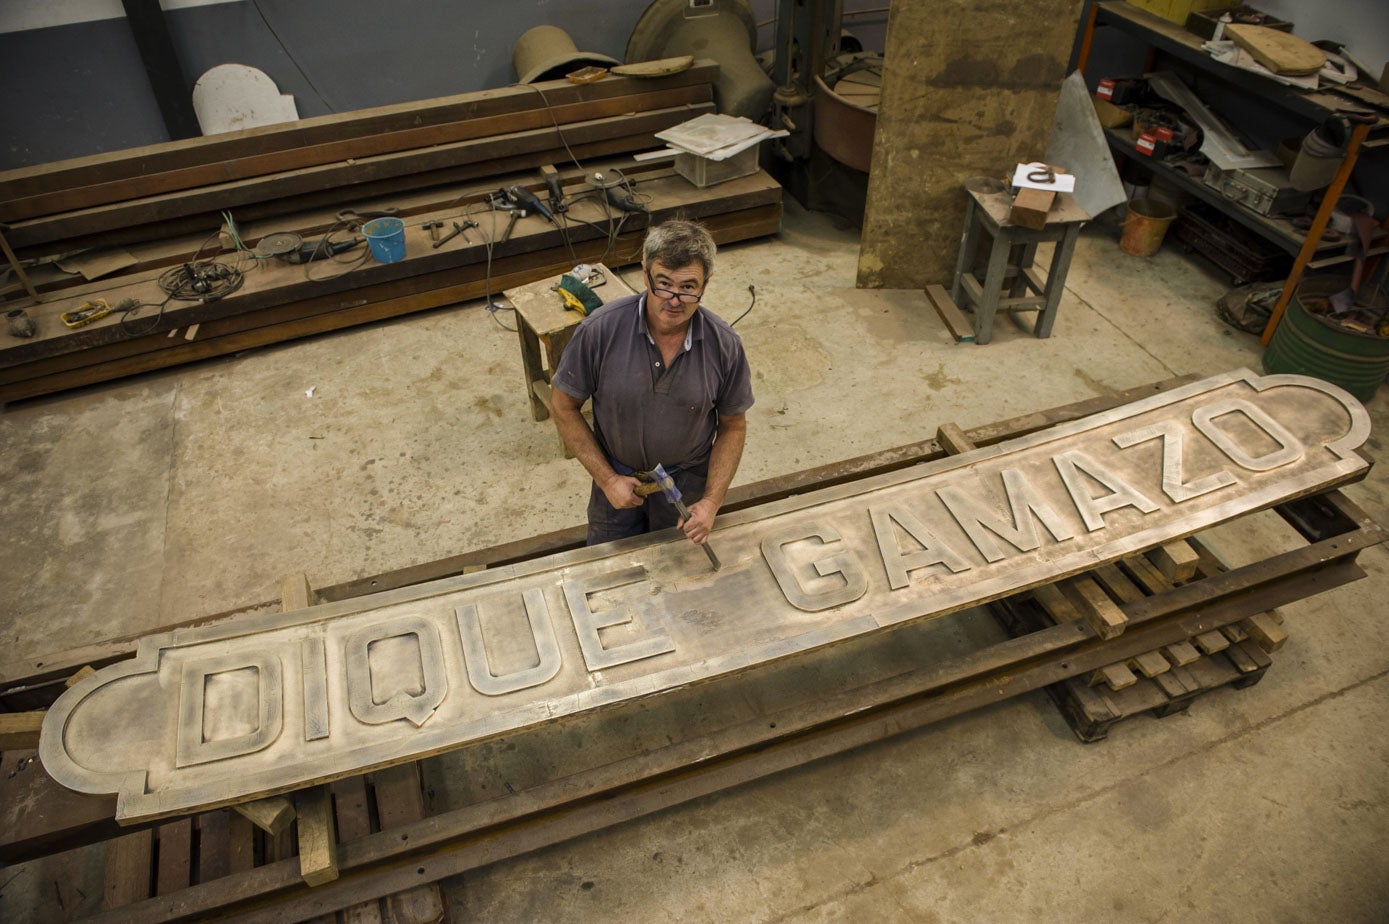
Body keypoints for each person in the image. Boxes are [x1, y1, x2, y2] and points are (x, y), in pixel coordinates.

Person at [551, 220, 753, 547]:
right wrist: (607, 479)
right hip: (615, 478)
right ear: (644, 274)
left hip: (687, 483)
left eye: (688, 287)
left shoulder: (724, 345)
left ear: (706, 282)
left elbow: (733, 426)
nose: (674, 300)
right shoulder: (600, 331)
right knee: (609, 573)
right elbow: (563, 406)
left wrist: (711, 503)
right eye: (663, 283)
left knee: (680, 576)